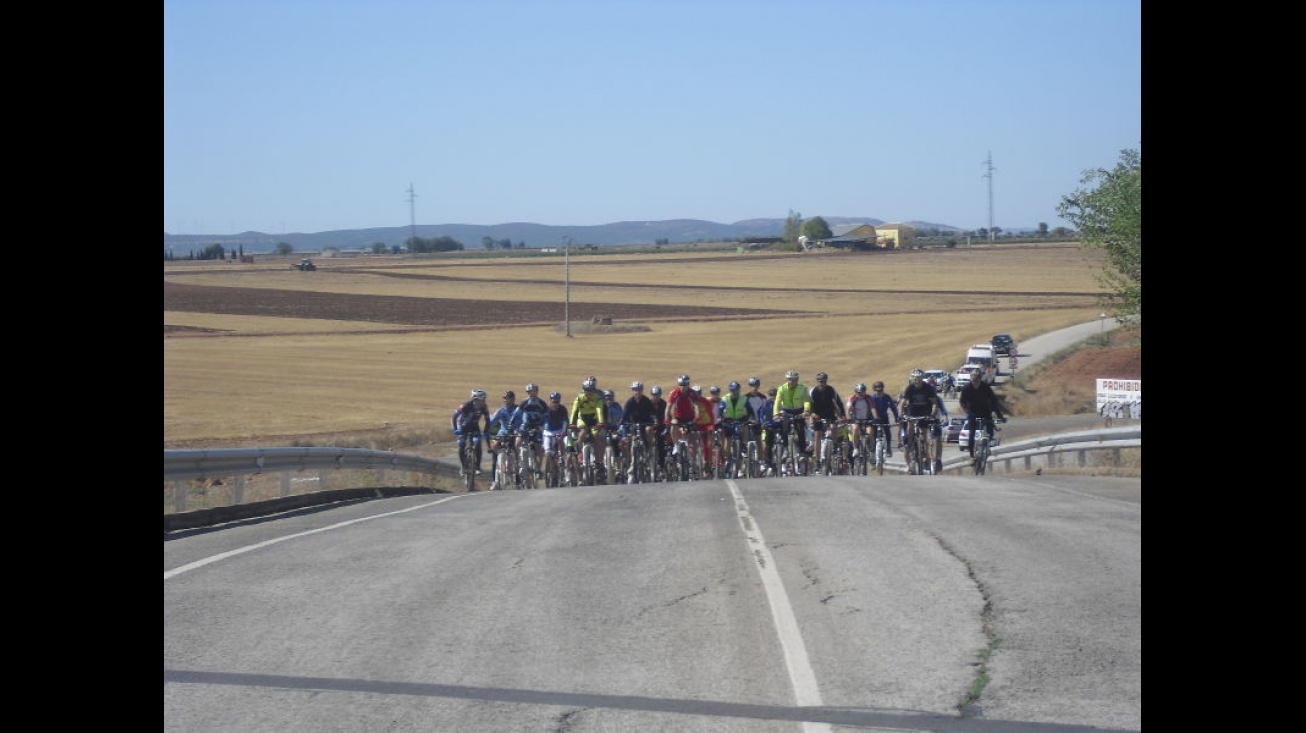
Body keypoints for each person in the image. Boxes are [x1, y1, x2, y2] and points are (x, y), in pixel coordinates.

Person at [959, 372, 1007, 457]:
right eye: (973, 381)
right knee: (971, 434)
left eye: (977, 381)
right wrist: (966, 409)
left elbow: (994, 401)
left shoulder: (986, 387)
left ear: (980, 380)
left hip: (985, 412)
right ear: (971, 380)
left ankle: (986, 446)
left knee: (990, 431)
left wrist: (1000, 416)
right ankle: (972, 454)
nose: (975, 383)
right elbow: (962, 401)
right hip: (972, 412)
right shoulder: (966, 388)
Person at [568, 376, 607, 481]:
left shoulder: (597, 398)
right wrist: (572, 423)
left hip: (594, 419)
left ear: (594, 390)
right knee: (582, 433)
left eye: (591, 390)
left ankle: (599, 461)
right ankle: (580, 455)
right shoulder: (579, 398)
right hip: (583, 419)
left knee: (596, 436)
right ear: (583, 389)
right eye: (586, 390)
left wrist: (601, 422)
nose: (589, 392)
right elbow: (574, 411)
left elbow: (599, 411)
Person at [898, 369, 942, 461]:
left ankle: (926, 454)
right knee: (910, 426)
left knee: (924, 434)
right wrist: (900, 414)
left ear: (922, 378)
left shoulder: (928, 388)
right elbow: (903, 402)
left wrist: (932, 414)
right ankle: (910, 445)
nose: (917, 380)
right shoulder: (910, 388)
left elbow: (934, 403)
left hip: (925, 411)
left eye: (919, 378)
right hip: (913, 411)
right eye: (915, 378)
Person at [807, 372, 846, 470]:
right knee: (817, 435)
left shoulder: (831, 390)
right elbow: (809, 404)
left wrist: (842, 415)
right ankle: (817, 461)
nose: (822, 383)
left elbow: (838, 403)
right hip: (818, 415)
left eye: (824, 381)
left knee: (833, 427)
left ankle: (834, 445)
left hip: (829, 414)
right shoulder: (813, 391)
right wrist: (812, 414)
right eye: (820, 381)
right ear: (817, 381)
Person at [622, 381, 658, 483]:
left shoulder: (646, 401)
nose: (637, 392)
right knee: (634, 443)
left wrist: (655, 419)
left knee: (648, 431)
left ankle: (649, 449)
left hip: (645, 423)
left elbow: (653, 412)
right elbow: (625, 415)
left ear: (642, 391)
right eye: (635, 390)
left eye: (639, 390)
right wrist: (621, 423)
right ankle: (633, 466)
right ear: (632, 391)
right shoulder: (630, 402)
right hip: (634, 425)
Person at [452, 388, 491, 478]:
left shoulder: (484, 407)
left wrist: (486, 432)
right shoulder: (465, 406)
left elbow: (487, 421)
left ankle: (477, 467)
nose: (484, 401)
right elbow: (454, 416)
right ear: (476, 399)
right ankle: (463, 466)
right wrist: (455, 429)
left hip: (474, 426)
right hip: (463, 426)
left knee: (478, 444)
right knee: (461, 445)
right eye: (483, 399)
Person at [773, 369, 812, 457]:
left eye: (794, 379)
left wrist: (806, 410)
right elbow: (777, 402)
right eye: (790, 379)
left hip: (799, 411)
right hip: (786, 411)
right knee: (785, 429)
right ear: (787, 379)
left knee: (800, 429)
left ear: (797, 380)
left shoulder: (803, 388)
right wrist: (776, 414)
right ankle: (786, 448)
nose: (792, 381)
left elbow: (806, 400)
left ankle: (802, 451)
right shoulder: (782, 389)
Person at [486, 390, 519, 489]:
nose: (505, 401)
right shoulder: (501, 411)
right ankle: (495, 481)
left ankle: (518, 478)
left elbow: (523, 420)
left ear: (513, 399)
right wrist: (487, 431)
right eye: (504, 399)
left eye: (507, 398)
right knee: (494, 449)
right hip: (503, 433)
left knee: (517, 451)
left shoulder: (518, 410)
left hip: (515, 433)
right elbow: (491, 421)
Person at [866, 380, 900, 456]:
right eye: (877, 390)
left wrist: (897, 418)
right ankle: (873, 450)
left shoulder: (887, 397)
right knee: (873, 435)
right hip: (874, 418)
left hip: (884, 417)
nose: (879, 392)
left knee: (887, 432)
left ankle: (888, 447)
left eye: (881, 390)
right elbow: (869, 409)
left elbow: (893, 408)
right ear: (875, 390)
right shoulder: (872, 398)